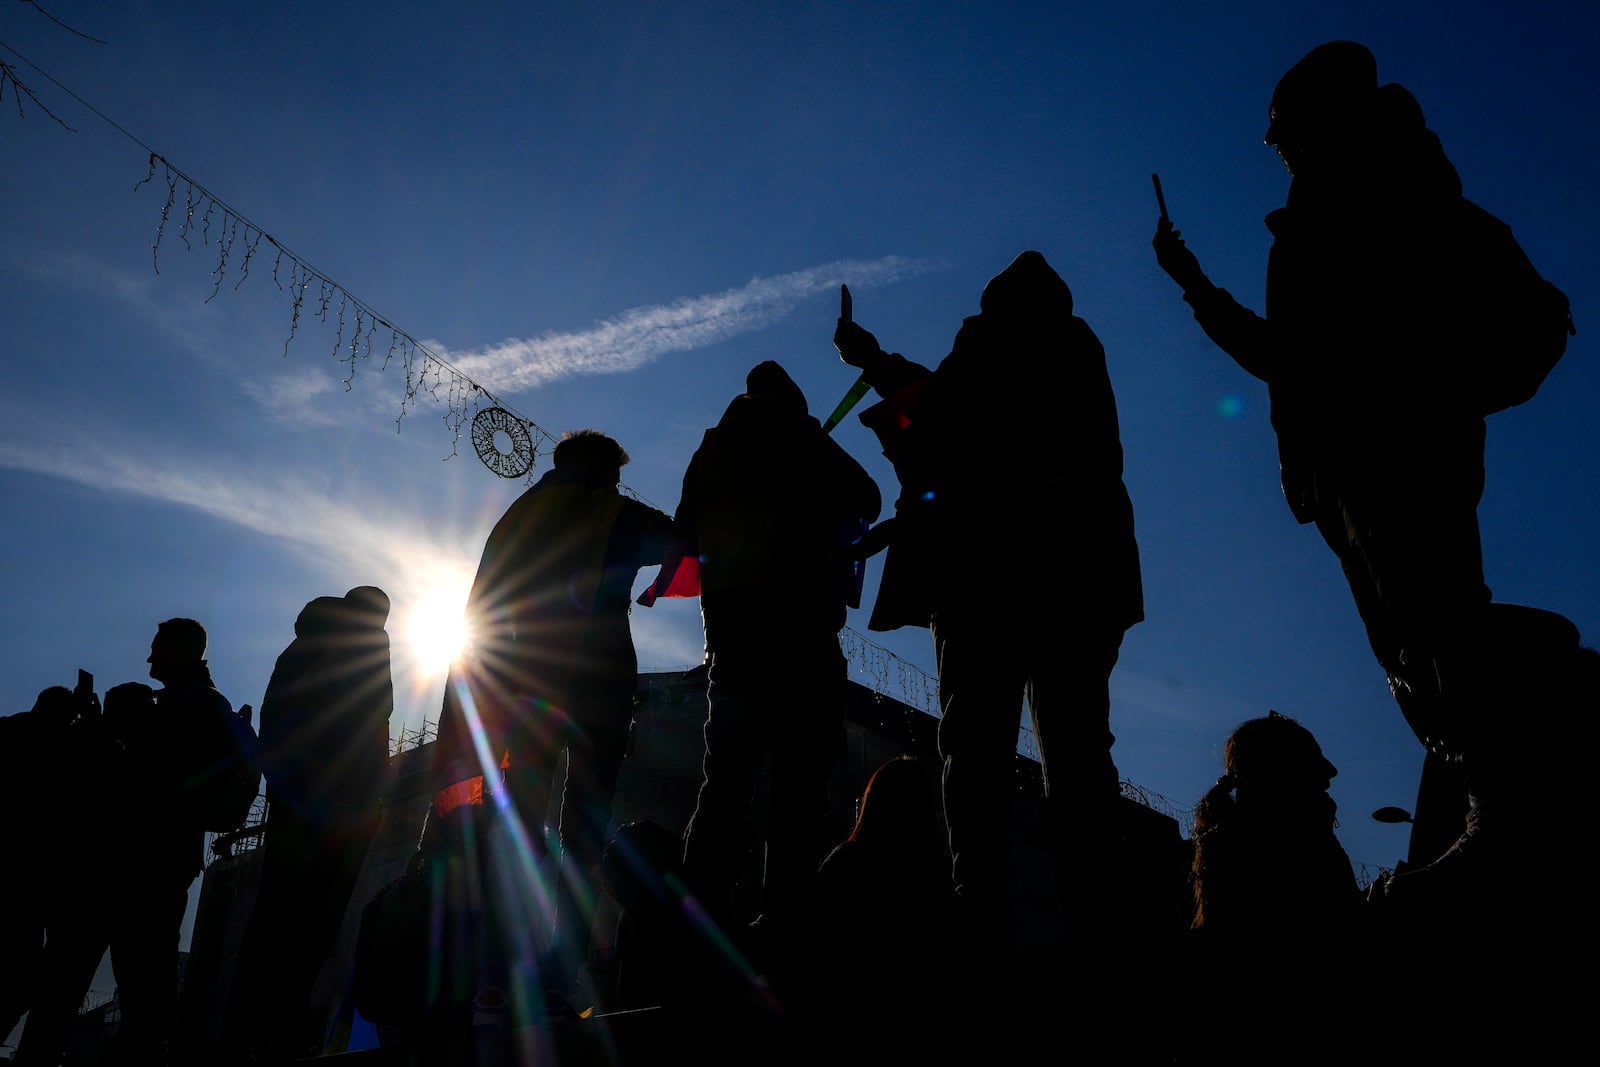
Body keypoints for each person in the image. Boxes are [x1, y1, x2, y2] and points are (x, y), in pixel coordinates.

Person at [1151, 41, 1572, 897]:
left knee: (1438, 624)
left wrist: (1427, 393)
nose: (1280, 155)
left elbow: (1537, 321)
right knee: (1412, 646)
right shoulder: (1309, 233)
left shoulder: (1406, 199)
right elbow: (1287, 359)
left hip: (1402, 454)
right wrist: (1192, 282)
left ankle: (1505, 805)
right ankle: (1491, 789)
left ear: (1324, 121)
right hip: (1342, 473)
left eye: (1284, 137)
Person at [832, 250, 1144, 954]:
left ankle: (981, 913)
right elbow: (941, 408)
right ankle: (1093, 919)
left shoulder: (985, 350)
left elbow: (935, 417)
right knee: (1077, 750)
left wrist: (872, 360)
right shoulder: (1077, 349)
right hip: (1079, 574)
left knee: (976, 753)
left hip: (981, 578)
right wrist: (875, 359)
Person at [644, 360, 881, 943]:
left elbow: (685, 536)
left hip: (732, 640)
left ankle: (697, 924)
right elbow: (868, 497)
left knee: (724, 784)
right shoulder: (801, 435)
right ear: (792, 400)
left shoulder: (711, 454)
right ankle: (786, 920)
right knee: (799, 786)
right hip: (801, 634)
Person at [437, 429, 673, 998]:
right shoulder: (613, 511)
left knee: (518, 822)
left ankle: (497, 973)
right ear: (599, 470)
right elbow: (678, 541)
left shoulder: (516, 516)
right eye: (613, 473)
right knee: (585, 822)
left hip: (517, 685)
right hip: (595, 679)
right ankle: (558, 971)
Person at [223, 586, 394, 1061]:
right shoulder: (364, 644)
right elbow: (372, 722)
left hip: (295, 798)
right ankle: (280, 1030)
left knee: (278, 916)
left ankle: (249, 1030)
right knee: (314, 922)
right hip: (340, 803)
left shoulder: (297, 653)